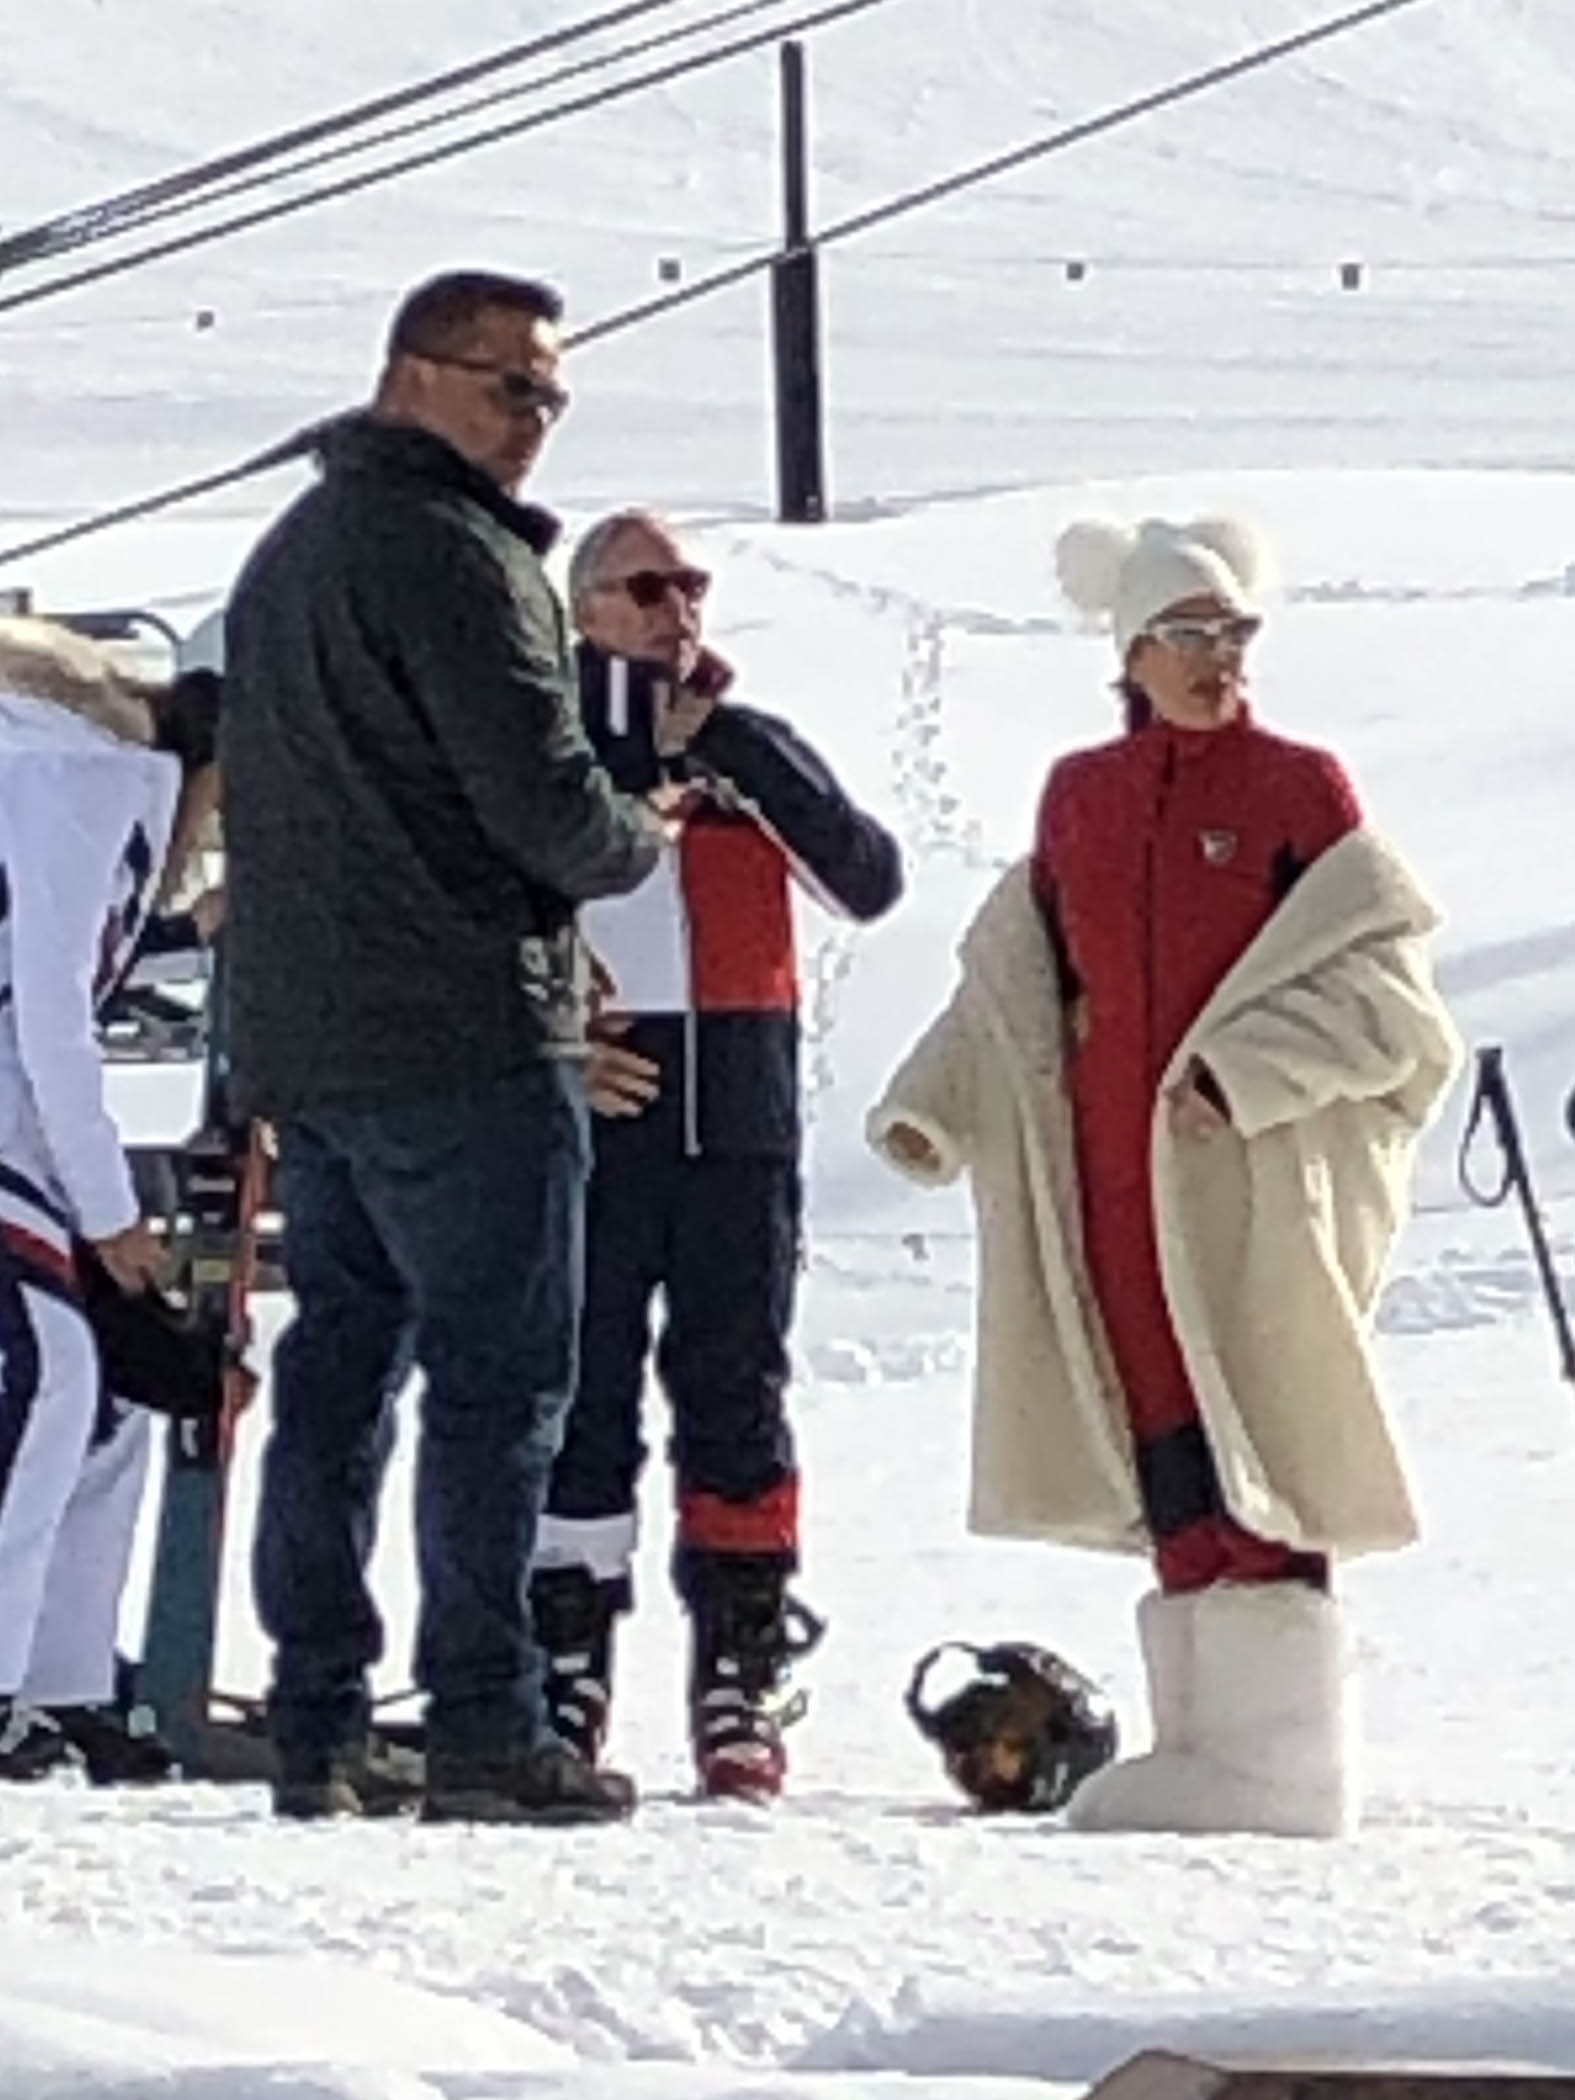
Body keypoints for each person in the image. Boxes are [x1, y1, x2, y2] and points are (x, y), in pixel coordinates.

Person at [867, 516, 1461, 1837]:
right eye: (1187, 637)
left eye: (1231, 634)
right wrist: (933, 1105)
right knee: (1156, 1432)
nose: (1215, 660)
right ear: (1128, 650)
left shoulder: (1300, 789)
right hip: (1107, 1177)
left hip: (1238, 1177)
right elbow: (1019, 985)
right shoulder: (1077, 797)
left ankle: (1285, 1761)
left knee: (1258, 1421)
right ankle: (1204, 1744)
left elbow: (1386, 994)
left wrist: (1244, 1073)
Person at [221, 271, 665, 1824]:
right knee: (497, 1382)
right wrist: (635, 833)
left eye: (550, 396)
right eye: (510, 388)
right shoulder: (456, 557)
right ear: (413, 375)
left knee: (338, 1372)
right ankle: (484, 1717)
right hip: (466, 1033)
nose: (535, 423)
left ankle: (314, 1717)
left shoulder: (290, 553)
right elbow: (543, 804)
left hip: (310, 1044)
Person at [530, 510, 903, 1797]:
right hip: (604, 1105)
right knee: (581, 1393)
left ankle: (738, 1668)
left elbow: (868, 878)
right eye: (644, 588)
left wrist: (731, 747)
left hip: (739, 1113)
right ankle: (564, 1664)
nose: (675, 608)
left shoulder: (749, 746)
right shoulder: (541, 746)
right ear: (582, 610)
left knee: (737, 1390)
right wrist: (551, 1046)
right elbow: (475, 912)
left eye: (690, 585)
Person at [0, 618, 222, 1782]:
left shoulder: (73, 773)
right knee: (51, 1373)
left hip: (21, 1143)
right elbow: (49, 1015)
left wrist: (183, 937)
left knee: (109, 1399)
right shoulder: (91, 777)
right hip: (17, 1140)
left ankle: (65, 1680)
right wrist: (110, 1220)